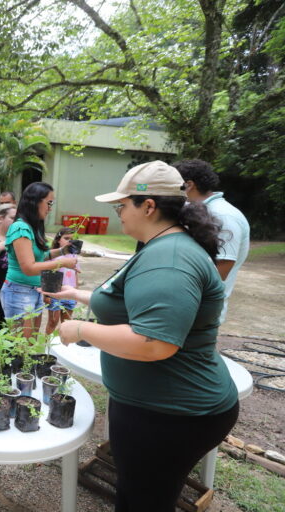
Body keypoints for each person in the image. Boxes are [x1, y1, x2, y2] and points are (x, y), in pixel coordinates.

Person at [44, 160, 239, 512]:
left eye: (121, 205)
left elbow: (154, 343)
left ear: (148, 206)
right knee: (136, 493)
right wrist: (78, 296)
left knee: (146, 501)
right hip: (155, 407)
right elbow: (134, 303)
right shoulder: (162, 245)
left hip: (172, 414)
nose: (118, 213)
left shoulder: (171, 259)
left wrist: (81, 328)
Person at [174, 159, 250, 323]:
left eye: (174, 184)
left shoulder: (223, 215)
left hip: (200, 309)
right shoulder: (199, 210)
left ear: (189, 185)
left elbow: (223, 265)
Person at [1, 182, 77, 336]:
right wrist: (62, 262)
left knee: (31, 344)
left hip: (34, 290)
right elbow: (29, 267)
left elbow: (41, 257)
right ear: (35, 201)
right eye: (49, 203)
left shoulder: (32, 228)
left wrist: (63, 251)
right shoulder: (20, 228)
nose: (50, 208)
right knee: (21, 347)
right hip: (19, 291)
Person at [44, 227, 80, 334]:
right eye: (66, 238)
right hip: (55, 293)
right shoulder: (53, 255)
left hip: (70, 294)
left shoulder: (74, 256)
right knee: (53, 321)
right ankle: (47, 346)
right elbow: (48, 274)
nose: (69, 241)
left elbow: (76, 274)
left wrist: (77, 292)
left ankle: (62, 346)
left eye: (72, 239)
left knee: (66, 324)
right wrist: (46, 295)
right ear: (58, 239)